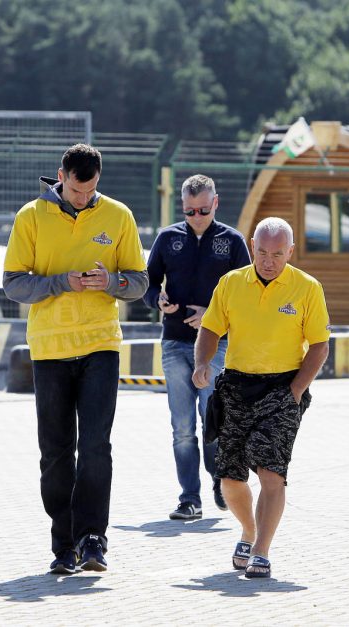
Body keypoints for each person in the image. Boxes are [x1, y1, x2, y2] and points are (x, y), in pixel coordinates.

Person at [3, 143, 148, 574]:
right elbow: (13, 284)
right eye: (77, 189)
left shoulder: (119, 216)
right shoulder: (30, 216)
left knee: (97, 446)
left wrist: (112, 281)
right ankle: (62, 542)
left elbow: (139, 283)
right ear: (60, 175)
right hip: (49, 349)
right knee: (55, 452)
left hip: (101, 344)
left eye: (91, 191)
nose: (84, 198)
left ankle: (93, 540)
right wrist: (60, 283)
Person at [193, 217, 330, 578]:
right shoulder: (232, 283)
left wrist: (295, 391)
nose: (269, 261)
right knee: (230, 478)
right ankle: (249, 531)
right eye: (263, 252)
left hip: (284, 386)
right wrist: (202, 363)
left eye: (278, 254)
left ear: (291, 252)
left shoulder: (307, 288)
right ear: (252, 246)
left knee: (271, 471)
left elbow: (319, 345)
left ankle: (262, 551)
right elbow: (210, 328)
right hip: (237, 386)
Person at [144, 175, 250, 521]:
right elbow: (148, 283)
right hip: (175, 342)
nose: (197, 217)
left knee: (213, 418)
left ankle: (220, 480)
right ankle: (190, 497)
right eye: (189, 212)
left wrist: (211, 315)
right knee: (182, 426)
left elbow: (247, 296)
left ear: (216, 203)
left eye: (203, 210)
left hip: (217, 345)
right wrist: (157, 300)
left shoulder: (232, 242)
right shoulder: (167, 238)